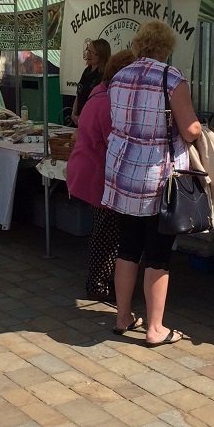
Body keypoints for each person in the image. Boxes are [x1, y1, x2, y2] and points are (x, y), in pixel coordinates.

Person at [102, 20, 202, 347]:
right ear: (166, 47)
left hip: (121, 171)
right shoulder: (171, 79)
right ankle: (155, 328)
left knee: (129, 247)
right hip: (156, 176)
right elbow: (190, 131)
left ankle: (122, 317)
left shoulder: (118, 76)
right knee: (158, 252)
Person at [67, 49, 135, 303]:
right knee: (107, 230)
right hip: (99, 172)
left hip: (91, 169)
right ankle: (98, 283)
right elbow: (116, 144)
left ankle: (103, 281)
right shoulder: (108, 103)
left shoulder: (99, 95)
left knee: (105, 228)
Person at [70, 38, 111, 126]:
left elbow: (98, 102)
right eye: (88, 51)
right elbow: (79, 93)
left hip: (93, 120)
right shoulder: (87, 71)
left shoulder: (104, 75)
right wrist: (74, 113)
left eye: (92, 53)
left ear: (101, 55)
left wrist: (84, 115)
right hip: (80, 118)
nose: (89, 55)